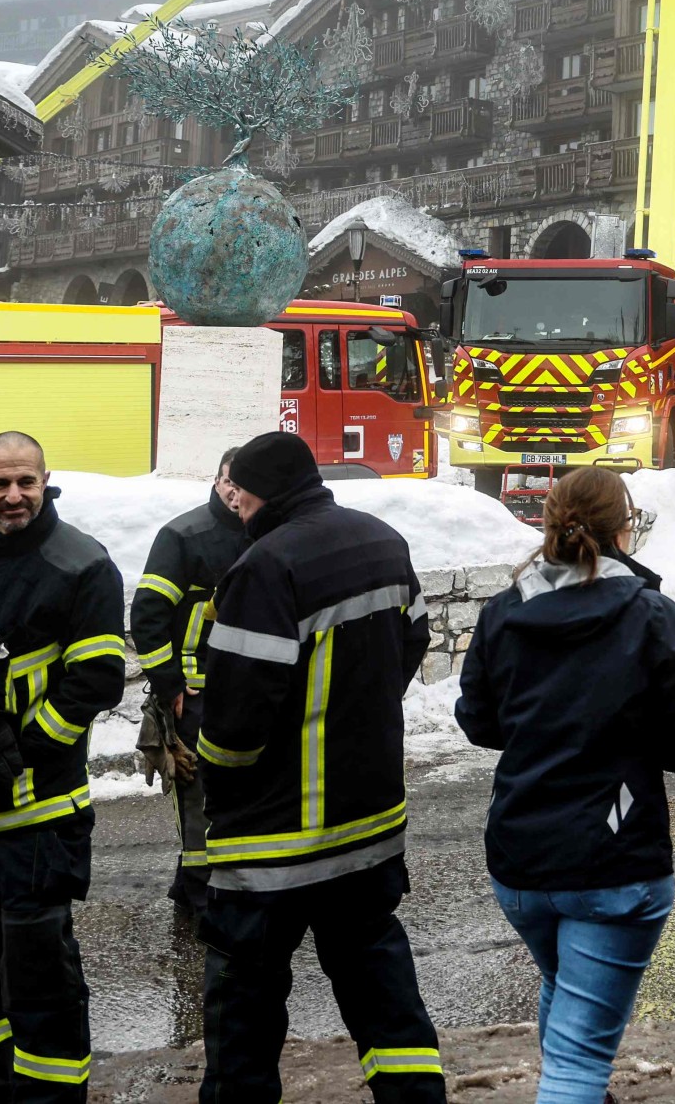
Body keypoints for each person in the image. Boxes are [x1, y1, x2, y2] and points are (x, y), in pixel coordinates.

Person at [195, 430, 444, 1104]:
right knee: (386, 1003)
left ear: (256, 494)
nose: (235, 510)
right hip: (368, 832)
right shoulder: (383, 540)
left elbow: (234, 722)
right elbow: (410, 643)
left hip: (273, 841)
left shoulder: (264, 566)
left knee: (242, 1019)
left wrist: (216, 776)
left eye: (238, 497)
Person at [455, 467, 675, 1104]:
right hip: (612, 863)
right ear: (625, 529)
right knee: (578, 1060)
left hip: (519, 862)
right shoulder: (654, 617)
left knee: (565, 997)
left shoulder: (503, 611)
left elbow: (479, 722)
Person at [0, 431, 128, 1101]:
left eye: (25, 482)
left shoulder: (83, 565)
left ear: (46, 482)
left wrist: (20, 748)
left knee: (40, 981)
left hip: (40, 815)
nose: (13, 496)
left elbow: (94, 682)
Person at [129, 445, 252, 929]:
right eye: (229, 481)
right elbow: (148, 615)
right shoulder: (183, 535)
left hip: (246, 692)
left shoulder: (266, 533)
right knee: (197, 793)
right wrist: (169, 686)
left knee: (236, 791)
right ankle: (204, 900)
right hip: (195, 698)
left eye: (244, 483)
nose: (235, 491)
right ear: (217, 481)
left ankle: (191, 885)